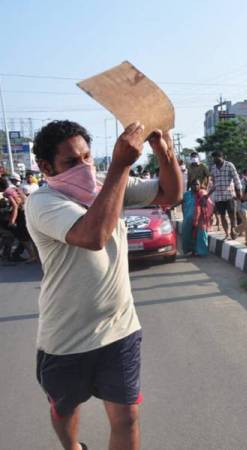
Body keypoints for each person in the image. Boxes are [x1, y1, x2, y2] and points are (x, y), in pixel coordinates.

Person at [25, 120, 182, 450]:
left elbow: (171, 193)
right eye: (71, 162)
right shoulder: (42, 202)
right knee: (64, 410)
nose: (83, 167)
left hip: (119, 330)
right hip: (65, 339)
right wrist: (120, 166)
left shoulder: (103, 186)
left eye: (86, 157)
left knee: (127, 418)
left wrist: (163, 150)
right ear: (45, 167)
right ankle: (72, 447)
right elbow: (93, 235)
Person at [208, 151, 241, 241]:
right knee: (222, 215)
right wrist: (208, 194)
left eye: (217, 157)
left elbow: (236, 179)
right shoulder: (213, 168)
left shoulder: (229, 165)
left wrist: (239, 191)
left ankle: (233, 230)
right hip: (218, 196)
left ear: (222, 157)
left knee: (232, 215)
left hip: (229, 195)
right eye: (214, 157)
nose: (215, 159)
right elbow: (214, 183)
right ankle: (226, 233)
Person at [182, 179, 213, 256]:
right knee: (188, 235)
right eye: (194, 185)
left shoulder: (202, 193)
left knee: (201, 235)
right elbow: (181, 202)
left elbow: (207, 201)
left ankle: (201, 252)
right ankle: (191, 251)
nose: (196, 186)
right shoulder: (186, 194)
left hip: (201, 218)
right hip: (188, 218)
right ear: (191, 186)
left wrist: (210, 192)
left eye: (197, 184)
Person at [236, 168, 247, 247]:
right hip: (241, 206)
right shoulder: (241, 184)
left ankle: (235, 230)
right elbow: (242, 198)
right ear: (244, 175)